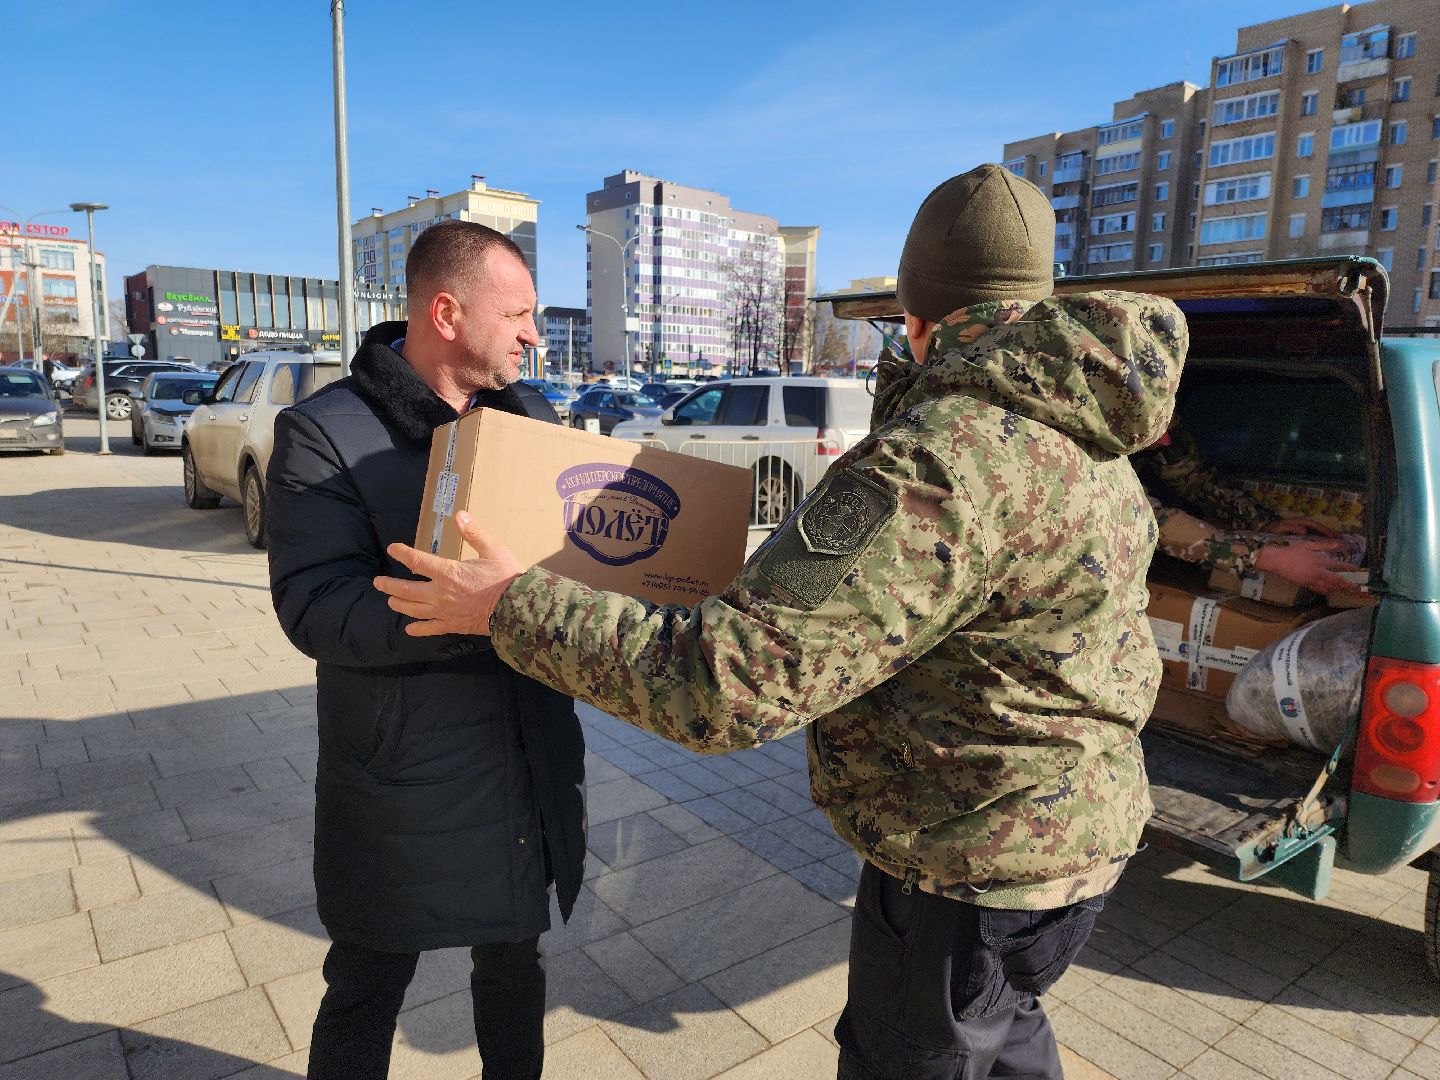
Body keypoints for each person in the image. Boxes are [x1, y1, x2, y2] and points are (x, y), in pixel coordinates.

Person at [375, 165, 1185, 1078]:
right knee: (1006, 1036)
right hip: (1074, 843)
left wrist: (510, 603)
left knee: (920, 1055)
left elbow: (726, 687)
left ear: (919, 320)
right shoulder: (1087, 435)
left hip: (966, 869)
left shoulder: (939, 461)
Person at [265, 221, 586, 1080]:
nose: (532, 334)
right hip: (403, 772)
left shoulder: (533, 418)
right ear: (446, 311)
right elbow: (312, 607)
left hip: (525, 750)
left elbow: (571, 566)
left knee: (516, 967)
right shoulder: (326, 433)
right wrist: (458, 612)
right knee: (370, 977)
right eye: (517, 313)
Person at [1138, 422, 1362, 595]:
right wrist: (1265, 557)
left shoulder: (1153, 417)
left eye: (1167, 424)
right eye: (1152, 427)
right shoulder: (1102, 459)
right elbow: (1144, 521)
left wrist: (1262, 522)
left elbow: (1194, 480)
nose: (1165, 441)